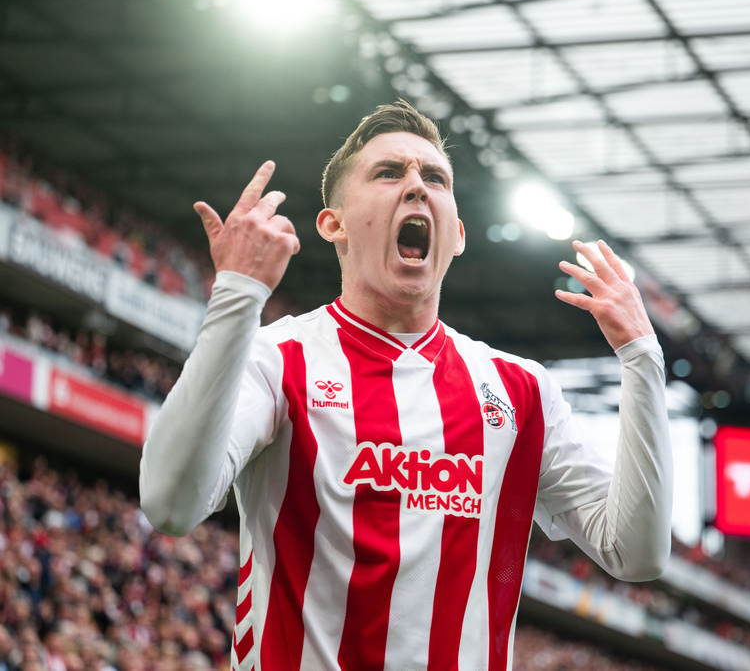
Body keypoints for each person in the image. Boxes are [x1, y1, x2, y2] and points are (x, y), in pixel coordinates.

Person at [139, 100, 672, 671]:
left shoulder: (520, 391)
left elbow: (636, 553)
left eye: (435, 178)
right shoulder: (280, 357)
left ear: (458, 234)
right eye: (389, 173)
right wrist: (238, 293)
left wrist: (642, 356)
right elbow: (171, 504)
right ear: (333, 224)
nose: (417, 186)